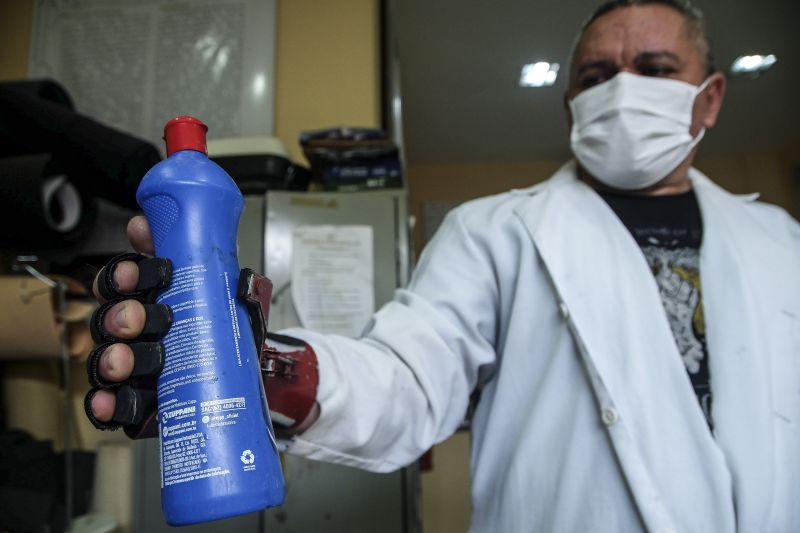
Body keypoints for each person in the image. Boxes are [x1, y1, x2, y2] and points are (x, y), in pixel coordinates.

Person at [84, 0, 800, 531]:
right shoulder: (496, 232)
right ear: (572, 104)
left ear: (708, 97)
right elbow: (408, 382)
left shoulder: (781, 242)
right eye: (597, 74)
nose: (622, 89)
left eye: (654, 70)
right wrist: (254, 362)